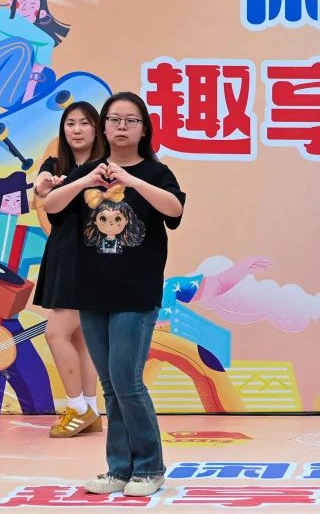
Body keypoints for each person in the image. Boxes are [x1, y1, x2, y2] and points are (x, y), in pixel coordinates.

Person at [43, 92, 185, 497]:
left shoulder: (156, 173)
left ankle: (150, 467)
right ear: (103, 127)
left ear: (144, 129)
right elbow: (51, 205)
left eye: (131, 120)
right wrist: (85, 180)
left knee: (127, 381)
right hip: (91, 293)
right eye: (114, 119)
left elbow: (174, 210)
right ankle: (119, 468)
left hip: (136, 294)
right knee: (110, 383)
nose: (122, 126)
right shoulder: (89, 172)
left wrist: (132, 180)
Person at [33, 102, 105, 437]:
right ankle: (90, 409)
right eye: (70, 123)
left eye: (84, 123)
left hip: (90, 257)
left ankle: (77, 408)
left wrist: (66, 186)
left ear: (97, 128)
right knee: (79, 337)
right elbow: (41, 187)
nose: (76, 130)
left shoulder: (106, 169)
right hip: (63, 252)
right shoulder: (55, 165)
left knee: (56, 333)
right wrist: (44, 183)